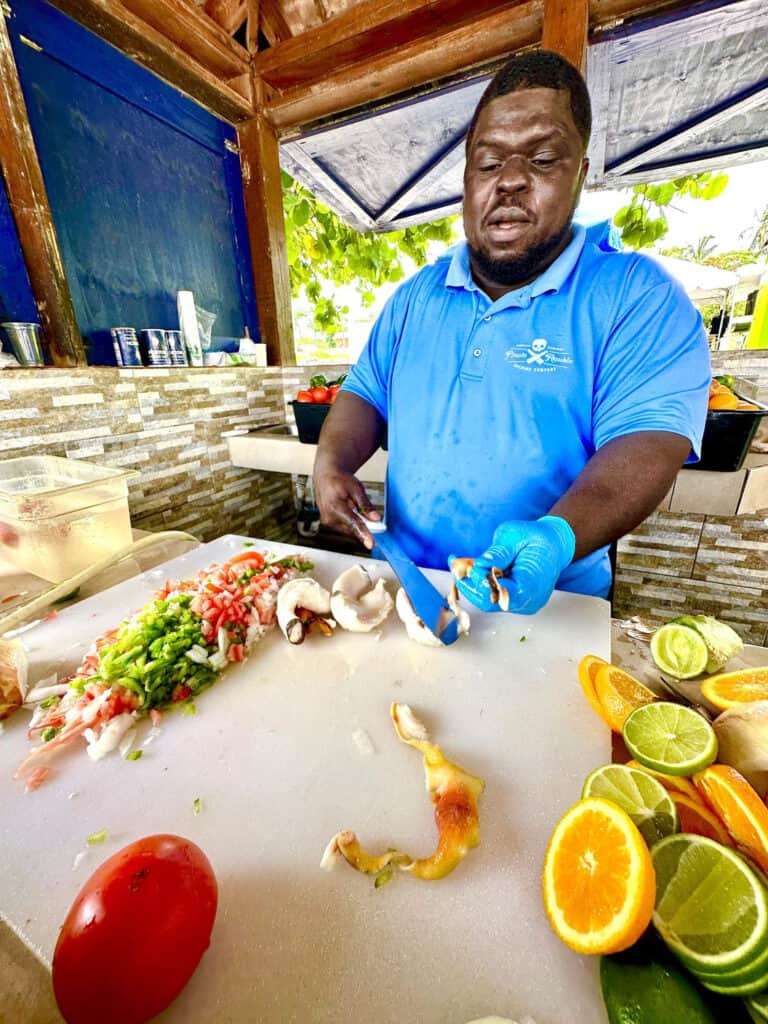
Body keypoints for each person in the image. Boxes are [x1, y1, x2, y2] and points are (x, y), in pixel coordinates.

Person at [313, 50, 710, 616]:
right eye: (489, 162)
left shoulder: (637, 295)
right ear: (468, 177)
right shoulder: (414, 297)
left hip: (551, 608)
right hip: (409, 590)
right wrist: (331, 462)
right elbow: (365, 394)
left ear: (582, 172)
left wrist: (559, 536)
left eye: (544, 158)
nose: (511, 181)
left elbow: (649, 441)